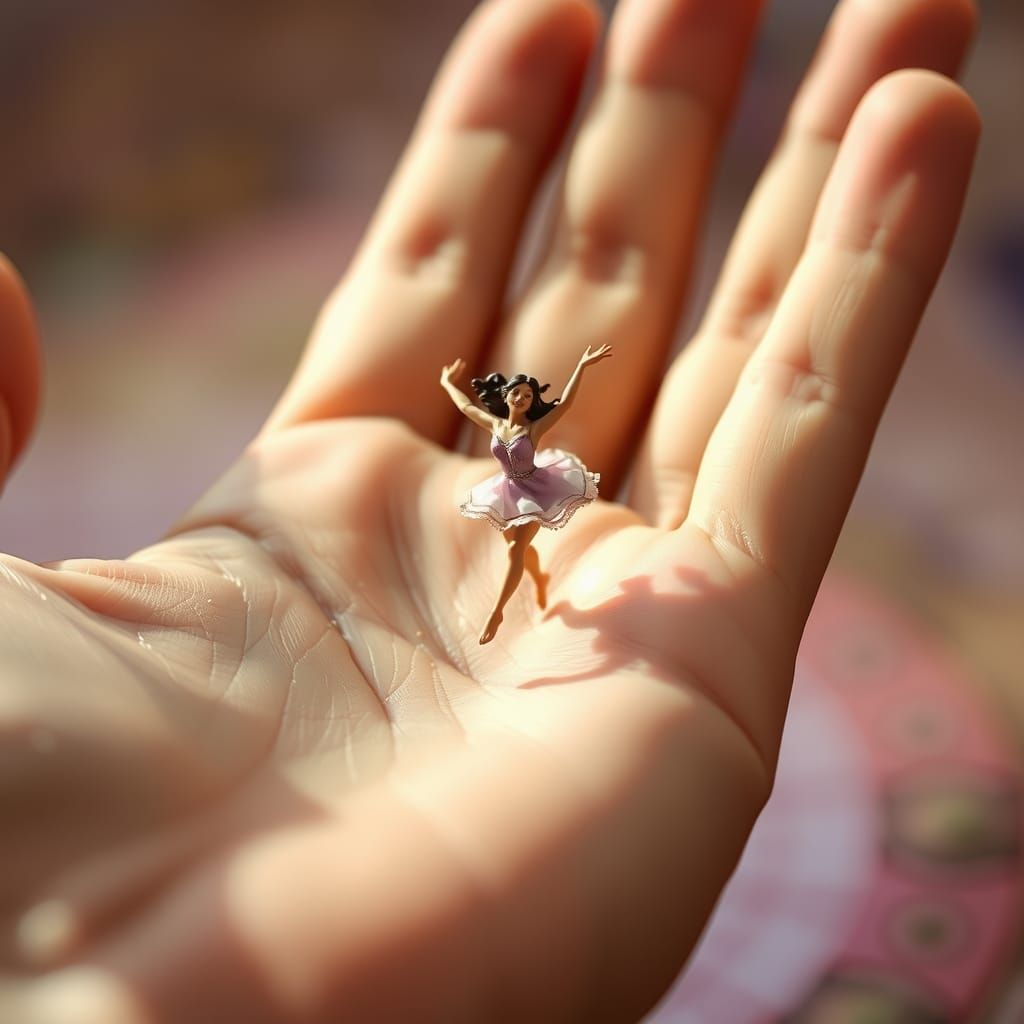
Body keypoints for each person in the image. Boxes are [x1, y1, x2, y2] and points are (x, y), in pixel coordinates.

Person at [0, 0, 979, 1019]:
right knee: (520, 558)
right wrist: (467, 385)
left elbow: (551, 393)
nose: (517, 401)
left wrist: (585, 361)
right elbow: (479, 401)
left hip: (524, 495)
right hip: (507, 494)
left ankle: (531, 588)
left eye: (516, 398)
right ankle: (528, 589)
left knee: (527, 556)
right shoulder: (502, 418)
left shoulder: (533, 414)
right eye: (511, 398)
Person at [440, 345, 611, 644]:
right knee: (518, 549)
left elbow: (566, 404)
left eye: (528, 396)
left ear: (533, 401)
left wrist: (581, 366)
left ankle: (497, 612)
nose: (521, 399)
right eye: (517, 393)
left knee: (514, 551)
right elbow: (466, 407)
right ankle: (540, 577)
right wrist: (446, 383)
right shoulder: (494, 424)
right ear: (506, 395)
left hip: (536, 490)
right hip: (507, 490)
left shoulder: (533, 429)